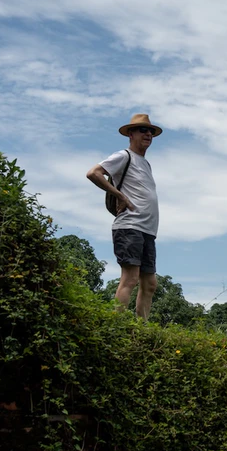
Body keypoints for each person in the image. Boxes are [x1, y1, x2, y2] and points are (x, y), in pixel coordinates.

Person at [86, 113, 162, 320]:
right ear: (131, 133)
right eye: (142, 130)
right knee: (130, 278)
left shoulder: (145, 163)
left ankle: (141, 329)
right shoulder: (123, 156)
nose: (148, 134)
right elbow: (93, 173)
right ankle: (117, 325)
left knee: (150, 284)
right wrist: (119, 195)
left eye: (150, 131)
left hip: (147, 229)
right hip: (130, 226)